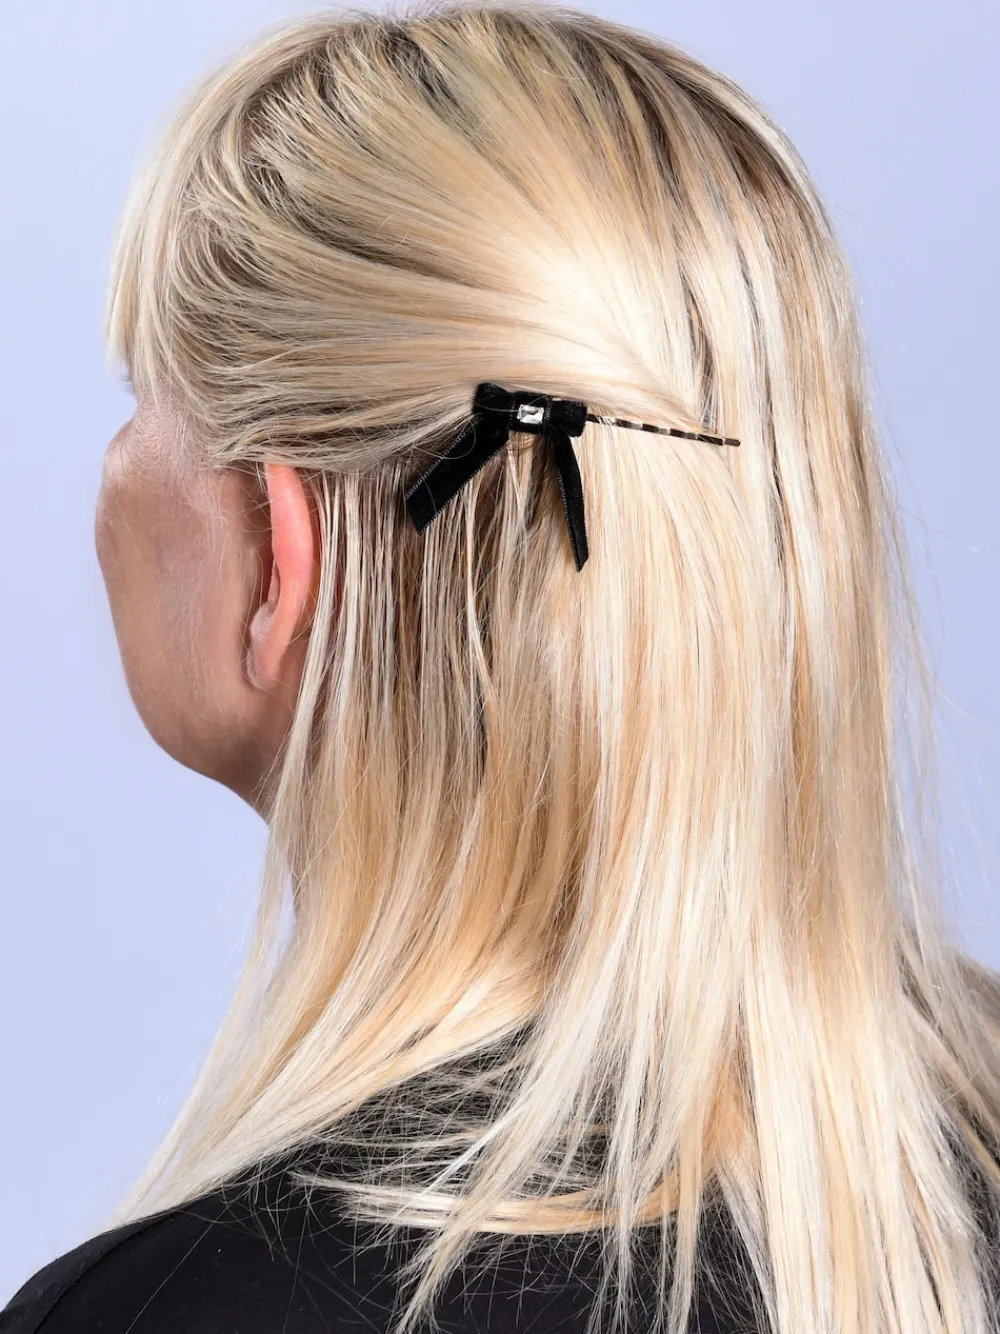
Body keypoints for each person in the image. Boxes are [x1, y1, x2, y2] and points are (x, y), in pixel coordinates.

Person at [4, 3, 1000, 1332]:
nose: (115, 460)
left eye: (144, 395)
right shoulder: (966, 1167)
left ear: (276, 557)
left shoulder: (180, 1312)